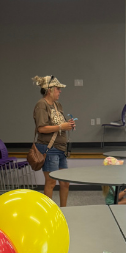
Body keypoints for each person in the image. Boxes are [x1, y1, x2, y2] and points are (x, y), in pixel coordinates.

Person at [33, 76, 73, 206]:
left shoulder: (57, 105)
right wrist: (61, 126)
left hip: (61, 148)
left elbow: (59, 123)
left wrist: (68, 125)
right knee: (51, 182)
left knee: (65, 182)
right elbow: (41, 128)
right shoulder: (41, 105)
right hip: (49, 148)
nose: (60, 91)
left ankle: (64, 210)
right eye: (58, 88)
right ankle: (48, 212)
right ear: (49, 90)